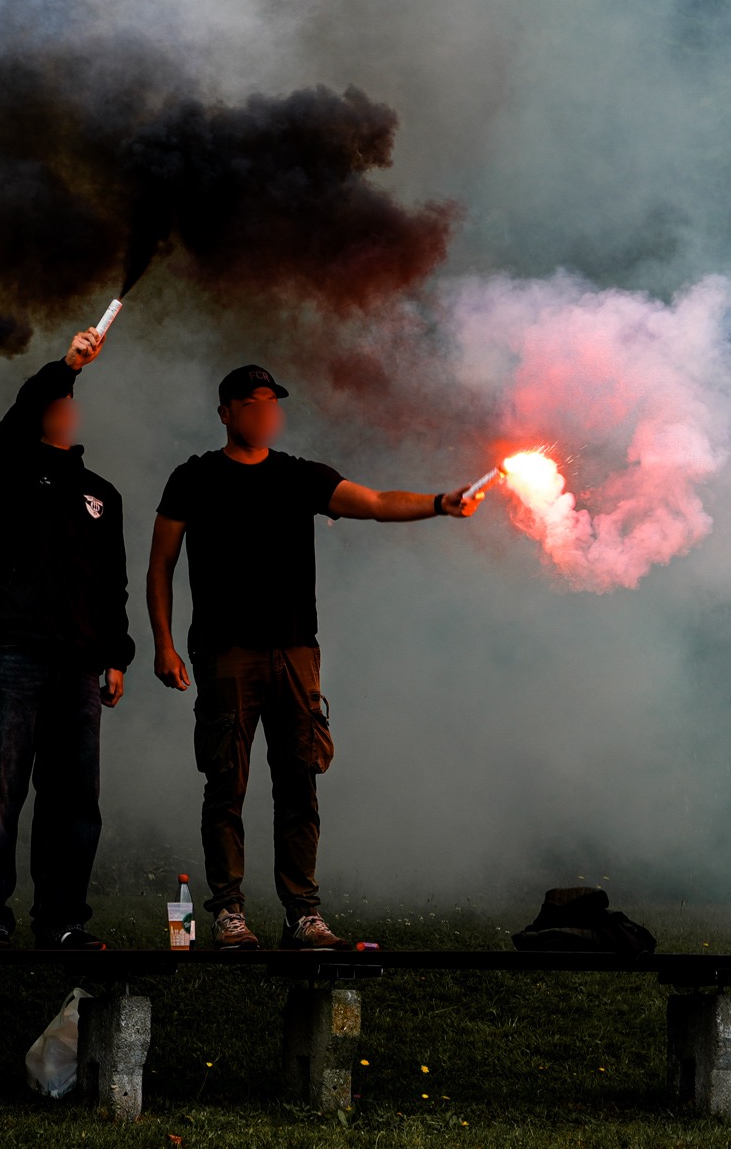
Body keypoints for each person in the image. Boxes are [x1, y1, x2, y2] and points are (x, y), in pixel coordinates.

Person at [147, 364, 481, 951]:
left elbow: (375, 502)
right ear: (225, 412)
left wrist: (438, 503)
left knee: (299, 781)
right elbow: (160, 565)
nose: (267, 412)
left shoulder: (300, 477)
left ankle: (303, 913)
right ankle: (227, 912)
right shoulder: (194, 478)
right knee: (227, 782)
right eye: (253, 402)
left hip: (297, 653)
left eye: (274, 401)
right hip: (226, 653)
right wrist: (164, 644)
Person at [0, 326, 133, 950]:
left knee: (75, 799)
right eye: (55, 401)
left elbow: (111, 584)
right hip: (15, 654)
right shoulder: (8, 470)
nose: (66, 408)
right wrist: (68, 365)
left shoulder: (102, 495)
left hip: (82, 665)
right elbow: (20, 412)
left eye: (71, 400)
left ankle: (63, 919)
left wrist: (116, 656)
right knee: (2, 789)